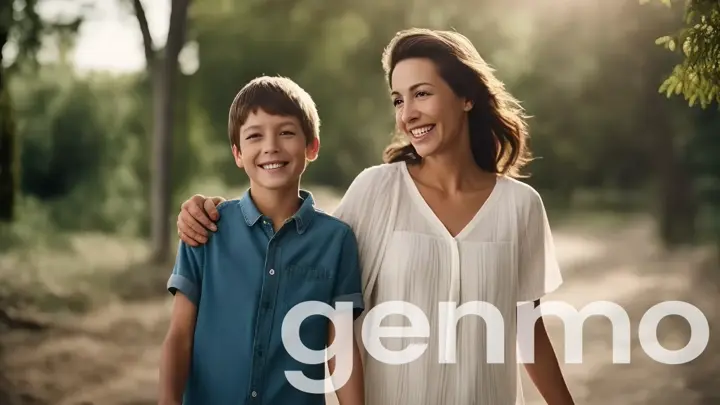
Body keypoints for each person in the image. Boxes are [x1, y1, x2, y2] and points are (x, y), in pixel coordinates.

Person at [175, 28, 575, 405]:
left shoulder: (520, 206)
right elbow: (296, 245)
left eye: (421, 94)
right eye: (399, 100)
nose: (408, 113)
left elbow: (528, 329)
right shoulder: (378, 190)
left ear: (467, 96)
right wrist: (213, 213)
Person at [158, 76, 365, 405]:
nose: (271, 146)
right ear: (238, 153)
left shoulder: (336, 241)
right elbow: (180, 336)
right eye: (255, 135)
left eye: (286, 132)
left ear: (312, 146)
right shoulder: (205, 229)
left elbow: (339, 348)